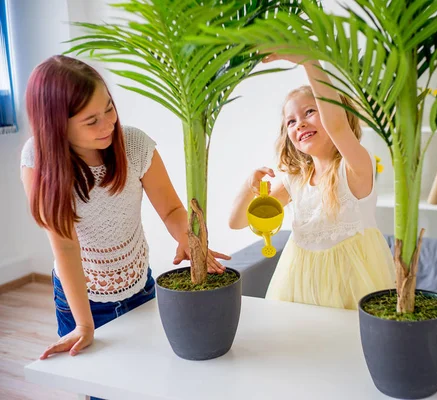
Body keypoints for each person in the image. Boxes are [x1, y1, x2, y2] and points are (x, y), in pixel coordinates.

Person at [21, 55, 230, 360]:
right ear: (55, 126)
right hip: (80, 301)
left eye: (109, 108)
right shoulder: (39, 161)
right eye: (91, 121)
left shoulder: (133, 144)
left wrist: (189, 240)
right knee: (100, 384)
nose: (108, 124)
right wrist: (83, 324)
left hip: (139, 286)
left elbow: (172, 210)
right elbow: (65, 248)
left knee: (148, 374)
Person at [229, 53, 395, 310]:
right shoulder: (295, 181)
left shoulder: (356, 168)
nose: (300, 123)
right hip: (299, 288)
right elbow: (237, 222)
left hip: (353, 291)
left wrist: (308, 60)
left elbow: (337, 126)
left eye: (310, 112)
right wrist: (246, 187)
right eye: (291, 121)